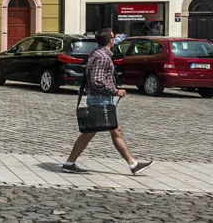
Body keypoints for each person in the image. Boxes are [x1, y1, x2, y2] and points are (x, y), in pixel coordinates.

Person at [63, 27, 151, 175]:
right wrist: (116, 91)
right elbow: (97, 80)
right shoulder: (103, 57)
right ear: (110, 40)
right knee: (105, 131)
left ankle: (70, 163)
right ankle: (133, 164)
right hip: (100, 99)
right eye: (113, 37)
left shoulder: (97, 53)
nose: (114, 39)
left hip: (99, 98)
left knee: (97, 132)